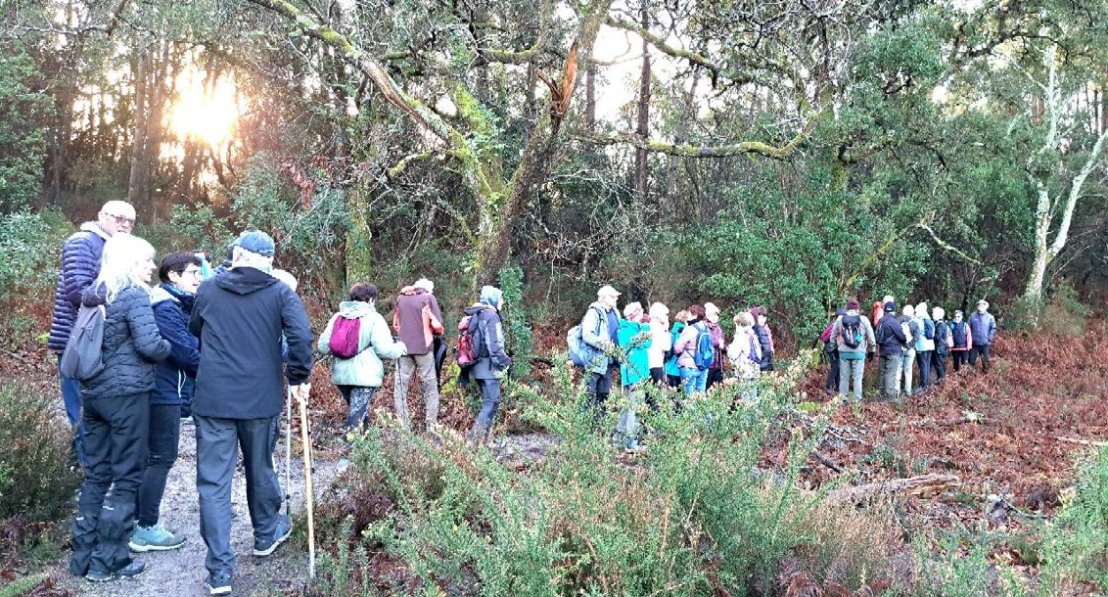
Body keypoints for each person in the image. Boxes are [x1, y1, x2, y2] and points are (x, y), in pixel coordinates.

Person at [189, 230, 313, 596]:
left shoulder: (208, 289)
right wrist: (298, 377)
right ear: (270, 261)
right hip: (259, 399)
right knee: (260, 467)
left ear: (236, 255)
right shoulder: (280, 293)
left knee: (213, 482)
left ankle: (219, 570)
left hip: (214, 398)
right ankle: (265, 533)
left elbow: (195, 328)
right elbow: (301, 337)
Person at [69, 234, 170, 582]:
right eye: (146, 261)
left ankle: (82, 558)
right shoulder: (134, 295)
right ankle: (109, 560)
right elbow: (150, 345)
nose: (152, 267)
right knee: (127, 476)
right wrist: (168, 347)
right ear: (130, 263)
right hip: (127, 396)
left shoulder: (94, 295)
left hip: (93, 393)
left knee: (97, 473)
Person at [48, 200, 136, 467]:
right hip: (78, 341)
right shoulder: (83, 242)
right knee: (83, 409)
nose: (125, 225)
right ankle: (89, 473)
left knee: (94, 408)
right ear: (101, 216)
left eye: (131, 221)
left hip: (98, 339)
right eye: (119, 218)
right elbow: (79, 291)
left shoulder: (115, 247)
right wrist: (123, 289)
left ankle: (79, 467)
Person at [130, 252, 203, 553]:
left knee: (152, 457)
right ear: (173, 276)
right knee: (160, 457)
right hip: (162, 392)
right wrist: (219, 369)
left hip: (164, 390)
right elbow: (184, 352)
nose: (199, 278)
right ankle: (145, 527)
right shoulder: (165, 307)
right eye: (193, 273)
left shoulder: (176, 304)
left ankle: (136, 521)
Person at [317, 283, 407, 430]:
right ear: (371, 300)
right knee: (356, 418)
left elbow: (322, 346)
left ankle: (365, 442)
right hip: (365, 375)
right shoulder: (374, 318)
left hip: (341, 376)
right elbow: (384, 349)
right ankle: (350, 444)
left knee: (359, 412)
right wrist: (401, 348)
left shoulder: (337, 317)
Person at [392, 277, 445, 432]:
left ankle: (404, 425)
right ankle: (431, 426)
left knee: (400, 386)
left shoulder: (401, 299)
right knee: (430, 387)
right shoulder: (428, 298)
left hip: (403, 348)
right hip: (423, 348)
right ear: (428, 289)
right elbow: (438, 327)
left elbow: (396, 324)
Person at [462, 286, 512, 445]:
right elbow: (494, 346)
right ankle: (474, 441)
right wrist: (506, 364)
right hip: (488, 368)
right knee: (491, 403)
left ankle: (484, 441)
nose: (502, 302)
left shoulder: (478, 314)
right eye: (500, 298)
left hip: (477, 367)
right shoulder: (491, 316)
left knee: (488, 403)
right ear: (493, 299)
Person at [614, 302, 651, 452]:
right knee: (634, 408)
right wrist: (645, 326)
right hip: (634, 373)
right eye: (641, 310)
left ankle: (619, 439)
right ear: (635, 313)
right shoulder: (626, 329)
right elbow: (645, 342)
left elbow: (646, 343)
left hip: (636, 372)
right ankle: (630, 442)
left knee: (628, 407)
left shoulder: (631, 328)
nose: (643, 313)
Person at [580, 285, 621, 415]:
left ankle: (599, 426)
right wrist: (604, 344)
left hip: (607, 363)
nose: (615, 298)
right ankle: (581, 426)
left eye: (616, 296)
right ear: (603, 297)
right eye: (612, 296)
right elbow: (587, 335)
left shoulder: (615, 313)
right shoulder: (594, 312)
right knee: (587, 398)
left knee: (603, 399)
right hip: (593, 362)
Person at [831, 299, 876, 403]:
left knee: (844, 378)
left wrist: (833, 349)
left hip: (844, 353)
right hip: (859, 353)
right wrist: (872, 350)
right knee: (857, 378)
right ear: (857, 309)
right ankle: (857, 401)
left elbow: (832, 336)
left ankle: (843, 400)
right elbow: (871, 338)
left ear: (847, 308)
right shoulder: (863, 320)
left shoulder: (840, 319)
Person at [875, 302, 909, 402]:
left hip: (882, 351)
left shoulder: (881, 321)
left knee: (882, 373)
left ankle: (881, 394)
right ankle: (889, 397)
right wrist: (904, 340)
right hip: (893, 351)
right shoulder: (894, 322)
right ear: (893, 311)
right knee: (891, 373)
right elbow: (901, 336)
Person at [674, 304, 710, 395]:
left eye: (689, 313)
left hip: (689, 366)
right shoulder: (707, 329)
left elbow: (677, 348)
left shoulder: (690, 329)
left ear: (695, 314)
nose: (688, 316)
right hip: (703, 366)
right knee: (700, 394)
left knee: (689, 396)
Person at [727, 311, 762, 402]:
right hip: (754, 371)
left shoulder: (740, 337)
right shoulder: (753, 335)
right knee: (753, 398)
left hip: (744, 373)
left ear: (739, 324)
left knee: (745, 400)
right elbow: (759, 355)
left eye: (736, 324)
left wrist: (729, 348)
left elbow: (733, 354)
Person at [820, 308, 847, 394]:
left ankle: (838, 387)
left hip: (833, 348)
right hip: (832, 349)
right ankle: (828, 386)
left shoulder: (834, 323)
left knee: (837, 366)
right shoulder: (839, 325)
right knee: (835, 366)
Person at [703, 303, 728, 391]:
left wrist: (723, 347)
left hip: (718, 365)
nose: (714, 317)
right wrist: (718, 343)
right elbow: (705, 343)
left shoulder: (719, 329)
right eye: (711, 315)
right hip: (708, 366)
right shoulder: (704, 328)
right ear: (707, 316)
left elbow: (723, 346)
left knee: (719, 390)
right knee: (707, 390)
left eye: (716, 315)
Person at [968, 300, 997, 373]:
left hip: (985, 343)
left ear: (985, 306)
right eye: (979, 304)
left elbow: (993, 328)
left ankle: (986, 375)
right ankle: (970, 375)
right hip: (974, 344)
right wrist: (969, 339)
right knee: (971, 361)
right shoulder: (972, 316)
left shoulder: (990, 317)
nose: (980, 306)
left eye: (982, 305)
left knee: (985, 362)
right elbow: (968, 328)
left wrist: (989, 339)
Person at [646, 302, 671, 385]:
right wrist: (666, 329)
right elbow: (666, 346)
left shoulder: (649, 326)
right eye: (665, 314)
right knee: (657, 389)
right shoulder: (659, 328)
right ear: (658, 315)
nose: (666, 317)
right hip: (656, 363)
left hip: (649, 363)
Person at [664, 310, 689, 388]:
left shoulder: (671, 332)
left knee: (669, 392)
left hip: (668, 368)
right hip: (678, 369)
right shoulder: (683, 333)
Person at [914, 301, 935, 392]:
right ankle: (926, 384)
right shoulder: (929, 319)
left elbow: (916, 333)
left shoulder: (918, 320)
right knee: (927, 364)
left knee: (922, 365)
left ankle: (922, 386)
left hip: (921, 346)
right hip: (930, 345)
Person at [899, 305, 919, 398]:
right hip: (910, 350)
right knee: (908, 371)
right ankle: (908, 391)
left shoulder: (897, 321)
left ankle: (896, 391)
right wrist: (909, 345)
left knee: (898, 370)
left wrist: (902, 345)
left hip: (900, 349)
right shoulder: (914, 323)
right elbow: (916, 338)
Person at [751, 306, 775, 372]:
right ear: (757, 318)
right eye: (760, 317)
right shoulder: (755, 329)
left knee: (768, 370)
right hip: (760, 356)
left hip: (768, 354)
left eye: (764, 318)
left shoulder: (766, 328)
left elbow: (769, 340)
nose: (762, 320)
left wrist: (771, 348)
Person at [932, 306, 951, 384]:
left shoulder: (940, 325)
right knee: (940, 364)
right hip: (941, 348)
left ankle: (942, 382)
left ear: (938, 315)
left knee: (939, 365)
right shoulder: (940, 324)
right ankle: (941, 380)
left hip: (939, 348)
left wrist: (931, 335)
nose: (932, 315)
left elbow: (937, 337)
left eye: (934, 313)